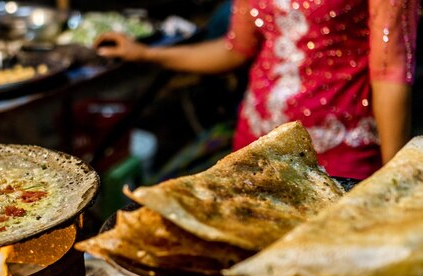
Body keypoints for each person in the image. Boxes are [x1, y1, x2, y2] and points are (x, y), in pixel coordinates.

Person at [95, 0, 420, 179]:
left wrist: (395, 178)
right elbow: (235, 49)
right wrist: (146, 54)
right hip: (255, 145)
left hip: (337, 154)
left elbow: (390, 71)